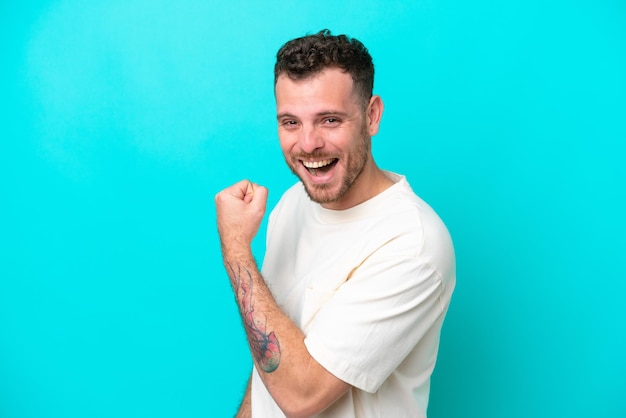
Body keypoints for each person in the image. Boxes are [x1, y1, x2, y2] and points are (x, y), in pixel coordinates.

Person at [215, 29, 455, 418]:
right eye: (290, 122)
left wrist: (236, 249)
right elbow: (271, 361)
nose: (308, 144)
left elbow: (301, 396)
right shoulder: (293, 203)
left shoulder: (413, 243)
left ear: (372, 116)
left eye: (329, 119)